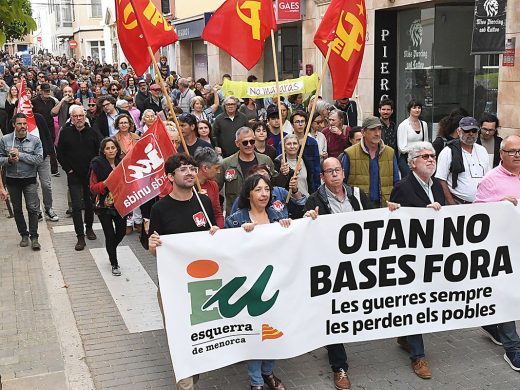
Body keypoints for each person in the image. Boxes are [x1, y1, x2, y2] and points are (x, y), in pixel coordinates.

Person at [147, 153, 218, 390]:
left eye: (192, 169)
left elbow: (212, 242)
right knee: (179, 338)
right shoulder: (160, 209)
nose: (190, 173)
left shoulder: (204, 203)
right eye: (183, 169)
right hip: (173, 287)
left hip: (201, 285)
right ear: (170, 176)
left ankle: (192, 371)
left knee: (198, 335)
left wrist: (216, 234)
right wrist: (153, 245)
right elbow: (155, 249)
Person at [304, 157, 371, 390]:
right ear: (322, 177)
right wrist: (307, 220)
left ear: (343, 172)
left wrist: (391, 211)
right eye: (329, 171)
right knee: (333, 313)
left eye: (337, 170)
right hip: (331, 267)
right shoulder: (314, 200)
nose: (334, 174)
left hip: (359, 265)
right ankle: (339, 366)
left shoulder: (358, 195)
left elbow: (375, 221)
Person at [224, 173, 289, 390]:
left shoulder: (277, 215)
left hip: (275, 283)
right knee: (255, 333)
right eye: (258, 190)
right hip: (250, 287)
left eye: (267, 190)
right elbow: (224, 251)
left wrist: (288, 225)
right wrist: (240, 235)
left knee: (273, 330)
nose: (264, 194)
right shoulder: (237, 219)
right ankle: (256, 381)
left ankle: (268, 372)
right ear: (248, 194)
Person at [389, 142, 445, 379]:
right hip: (411, 258)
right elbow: (395, 222)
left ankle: (405, 337)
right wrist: (424, 210)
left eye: (432, 155)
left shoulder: (439, 186)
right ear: (412, 163)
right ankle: (418, 357)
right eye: (424, 156)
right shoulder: (403, 187)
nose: (430, 159)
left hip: (431, 254)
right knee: (415, 303)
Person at [474, 134, 520, 371]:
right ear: (501, 154)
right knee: (506, 296)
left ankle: (492, 325)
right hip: (502, 249)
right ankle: (513, 348)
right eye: (512, 151)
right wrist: (501, 204)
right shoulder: (490, 180)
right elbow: (477, 214)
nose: (517, 155)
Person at [57, 106, 101, 251]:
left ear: (85, 116)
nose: (79, 119)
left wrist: (95, 170)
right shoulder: (65, 133)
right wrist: (68, 169)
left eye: (81, 116)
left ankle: (89, 228)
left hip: (89, 175)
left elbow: (98, 153)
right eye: (75, 116)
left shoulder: (93, 132)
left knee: (89, 204)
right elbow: (60, 153)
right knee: (76, 206)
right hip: (73, 175)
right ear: (71, 118)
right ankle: (80, 236)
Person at [0, 113, 44, 250]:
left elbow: (38, 159)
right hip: (12, 180)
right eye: (19, 124)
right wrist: (8, 160)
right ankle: (23, 234)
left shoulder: (35, 140)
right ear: (14, 125)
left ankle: (34, 236)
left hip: (29, 179)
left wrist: (21, 155)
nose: (23, 126)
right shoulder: (5, 140)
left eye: (25, 123)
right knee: (17, 209)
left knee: (32, 208)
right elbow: (0, 158)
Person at [341, 116, 400, 208]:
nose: (377, 133)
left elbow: (396, 182)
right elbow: (342, 182)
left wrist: (395, 201)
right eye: (372, 129)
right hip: (358, 206)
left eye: (379, 129)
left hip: (384, 206)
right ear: (363, 132)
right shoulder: (350, 153)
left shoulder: (390, 152)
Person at [217, 126, 276, 215]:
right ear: (237, 143)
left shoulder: (266, 160)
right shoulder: (226, 164)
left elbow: (275, 184)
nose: (249, 145)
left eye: (252, 141)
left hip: (262, 213)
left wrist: (284, 173)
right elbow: (215, 187)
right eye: (245, 142)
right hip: (236, 215)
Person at [89, 138, 126, 276]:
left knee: (121, 231)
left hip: (121, 203)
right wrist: (106, 182)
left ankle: (111, 248)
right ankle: (114, 262)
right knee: (109, 234)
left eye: (113, 148)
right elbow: (93, 188)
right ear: (103, 151)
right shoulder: (97, 164)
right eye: (107, 148)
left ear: (117, 149)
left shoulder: (123, 163)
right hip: (104, 205)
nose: (111, 150)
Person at [435, 116, 490, 204]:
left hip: (481, 203)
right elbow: (441, 179)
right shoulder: (448, 151)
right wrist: (452, 203)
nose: (471, 133)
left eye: (474, 130)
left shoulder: (482, 150)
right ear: (459, 131)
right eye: (467, 131)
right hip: (458, 203)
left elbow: (488, 177)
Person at [194, 147, 224, 228]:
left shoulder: (213, 185)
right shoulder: (188, 186)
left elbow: (218, 213)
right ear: (205, 168)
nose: (219, 171)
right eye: (216, 168)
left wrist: (219, 229)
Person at [397, 100, 428, 176]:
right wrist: (417, 148)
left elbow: (426, 143)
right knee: (409, 182)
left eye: (419, 108)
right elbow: (402, 148)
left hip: (420, 158)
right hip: (406, 159)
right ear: (409, 110)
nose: (417, 110)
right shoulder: (403, 125)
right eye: (414, 108)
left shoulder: (424, 124)